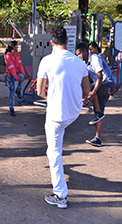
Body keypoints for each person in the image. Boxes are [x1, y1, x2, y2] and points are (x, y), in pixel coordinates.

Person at [37, 26, 89, 209]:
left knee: (54, 153)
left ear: (52, 42)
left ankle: (60, 195)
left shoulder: (47, 60)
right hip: (74, 111)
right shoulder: (80, 63)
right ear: (67, 41)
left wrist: (52, 94)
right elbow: (86, 91)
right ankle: (60, 193)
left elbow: (39, 91)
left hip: (56, 116)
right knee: (58, 139)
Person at [76, 42, 116, 147]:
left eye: (80, 54)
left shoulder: (95, 59)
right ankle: (98, 138)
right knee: (99, 113)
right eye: (77, 55)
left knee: (92, 89)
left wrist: (92, 92)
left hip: (108, 84)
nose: (79, 57)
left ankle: (98, 113)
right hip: (100, 88)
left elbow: (100, 77)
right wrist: (86, 97)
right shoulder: (85, 64)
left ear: (85, 51)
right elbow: (87, 80)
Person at [4, 40, 25, 116]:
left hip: (16, 73)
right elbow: (11, 68)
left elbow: (20, 65)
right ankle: (11, 108)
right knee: (11, 92)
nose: (18, 47)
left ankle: (18, 90)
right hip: (10, 75)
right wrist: (17, 77)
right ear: (13, 47)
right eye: (16, 45)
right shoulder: (8, 56)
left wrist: (22, 74)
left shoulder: (17, 55)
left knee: (22, 76)